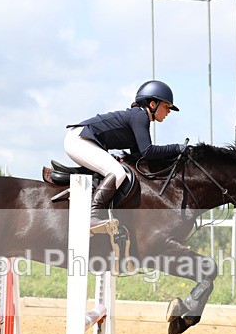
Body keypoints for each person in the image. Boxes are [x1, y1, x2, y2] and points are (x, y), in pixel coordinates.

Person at [64, 80, 187, 230]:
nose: (168, 112)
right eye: (166, 106)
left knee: (121, 170)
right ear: (153, 104)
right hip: (79, 139)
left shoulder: (139, 117)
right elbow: (147, 151)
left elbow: (140, 158)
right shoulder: (140, 116)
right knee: (118, 173)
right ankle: (92, 216)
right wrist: (177, 148)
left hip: (83, 139)